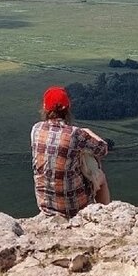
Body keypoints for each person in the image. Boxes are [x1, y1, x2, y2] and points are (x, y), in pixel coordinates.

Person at [31, 86, 110, 218]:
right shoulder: (75, 134)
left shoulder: (36, 129)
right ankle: (106, 215)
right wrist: (88, 132)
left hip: (45, 205)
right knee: (100, 177)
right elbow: (102, 150)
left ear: (45, 107)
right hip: (73, 207)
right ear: (68, 107)